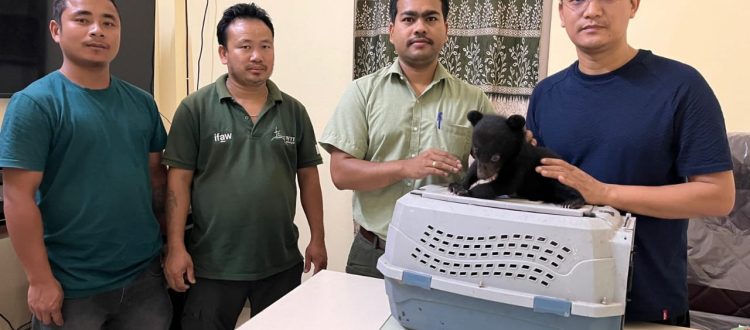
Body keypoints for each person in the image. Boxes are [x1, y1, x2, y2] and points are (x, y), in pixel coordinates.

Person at [527, 0, 735, 326]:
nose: (592, 10)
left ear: (633, 5)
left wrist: (605, 193)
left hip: (647, 304)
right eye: (576, 0)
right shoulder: (546, 94)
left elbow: (718, 196)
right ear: (562, 14)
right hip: (555, 297)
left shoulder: (682, 86)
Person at [0, 0, 172, 329]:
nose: (98, 30)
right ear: (56, 30)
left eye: (109, 22)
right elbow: (17, 197)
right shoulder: (34, 104)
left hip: (144, 278)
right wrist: (39, 280)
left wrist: (168, 243)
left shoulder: (143, 104)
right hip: (71, 286)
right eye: (83, 19)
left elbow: (156, 178)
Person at [161, 3, 327, 329]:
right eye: (245, 46)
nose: (257, 56)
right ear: (223, 53)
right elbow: (177, 183)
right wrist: (176, 247)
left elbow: (308, 177)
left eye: (265, 46)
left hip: (279, 262)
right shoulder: (195, 109)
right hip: (211, 265)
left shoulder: (293, 111)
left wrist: (318, 238)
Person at [319, 0, 495, 279]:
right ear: (391, 30)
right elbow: (341, 173)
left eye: (431, 19)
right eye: (409, 19)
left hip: (449, 254)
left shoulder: (473, 100)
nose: (420, 28)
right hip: (374, 252)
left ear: (446, 29)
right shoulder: (362, 92)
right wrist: (406, 167)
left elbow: (497, 166)